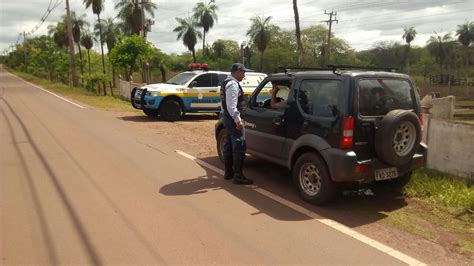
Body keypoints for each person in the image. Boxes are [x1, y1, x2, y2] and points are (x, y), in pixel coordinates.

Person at [220, 63, 254, 185]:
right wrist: (238, 120)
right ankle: (238, 176)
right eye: (243, 72)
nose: (244, 75)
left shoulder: (226, 82)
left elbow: (224, 104)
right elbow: (231, 105)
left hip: (227, 118)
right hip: (233, 119)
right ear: (238, 71)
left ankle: (229, 172)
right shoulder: (233, 84)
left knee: (228, 144)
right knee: (239, 146)